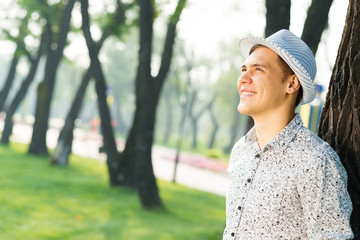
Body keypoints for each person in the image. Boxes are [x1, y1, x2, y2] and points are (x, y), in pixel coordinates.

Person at [223, 29, 353, 240]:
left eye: (258, 70)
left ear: (291, 83)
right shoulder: (241, 150)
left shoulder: (317, 161)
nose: (243, 78)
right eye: (244, 68)